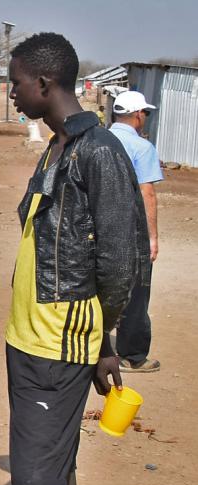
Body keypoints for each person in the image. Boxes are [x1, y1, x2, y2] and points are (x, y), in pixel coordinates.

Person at [4, 32, 146, 485]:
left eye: (16, 83)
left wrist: (100, 338)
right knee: (53, 469)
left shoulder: (99, 150)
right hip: (30, 334)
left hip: (56, 338)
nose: (11, 92)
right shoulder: (57, 146)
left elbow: (120, 261)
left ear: (44, 83)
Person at [108, 90, 164, 372]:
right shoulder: (142, 148)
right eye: (146, 113)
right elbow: (147, 193)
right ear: (138, 114)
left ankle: (92, 345)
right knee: (137, 291)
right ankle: (132, 355)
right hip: (131, 231)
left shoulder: (97, 140)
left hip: (98, 228)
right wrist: (152, 237)